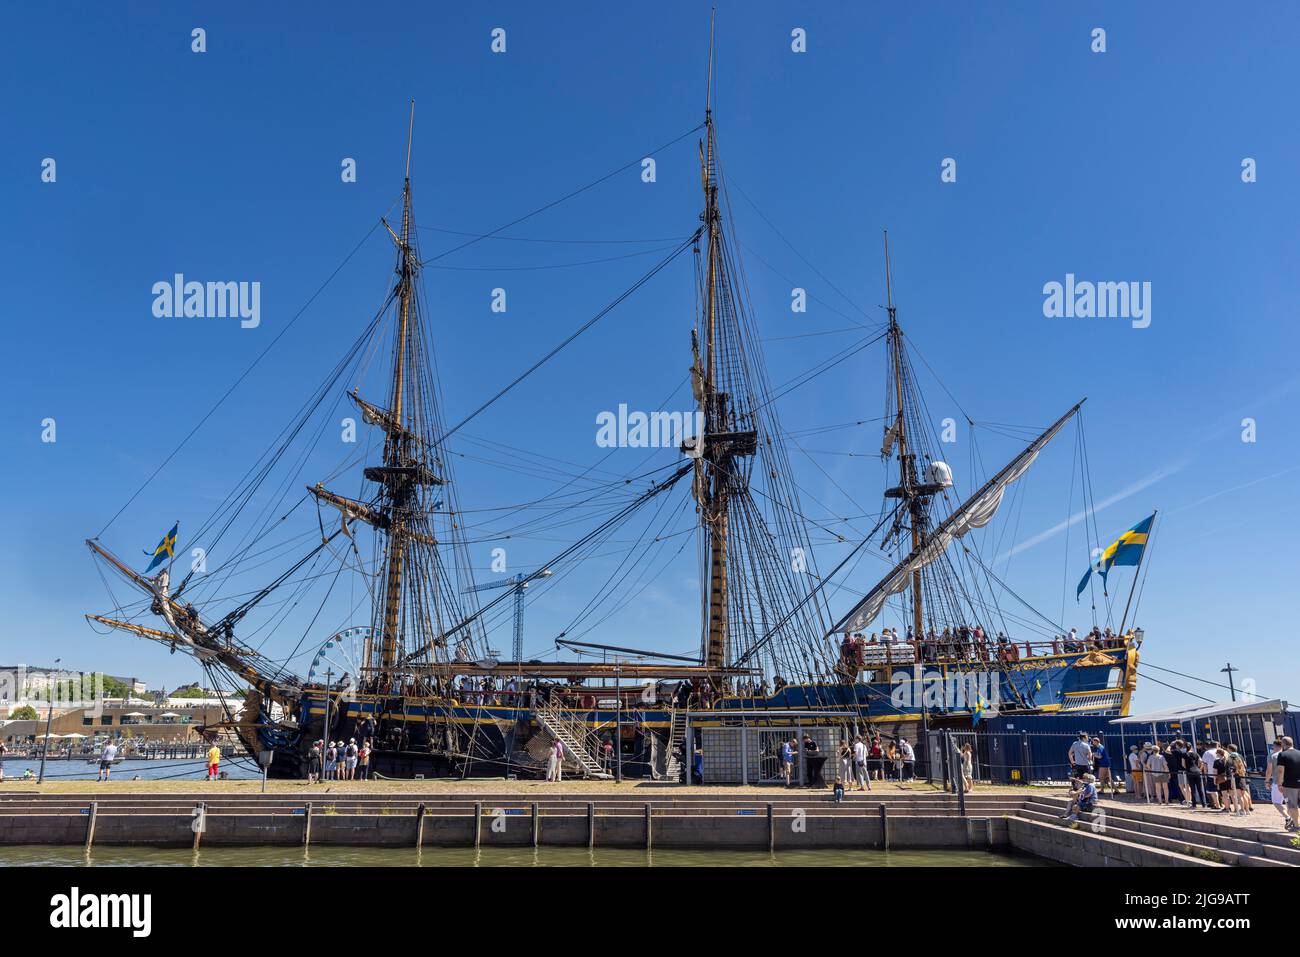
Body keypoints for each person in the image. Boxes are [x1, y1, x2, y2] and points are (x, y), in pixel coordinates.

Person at [1272, 736, 1300, 832]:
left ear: (1283, 744)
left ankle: (1296, 826)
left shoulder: (1282, 755)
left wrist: (1279, 784)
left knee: (1292, 805)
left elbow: (1280, 771)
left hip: (1289, 784)